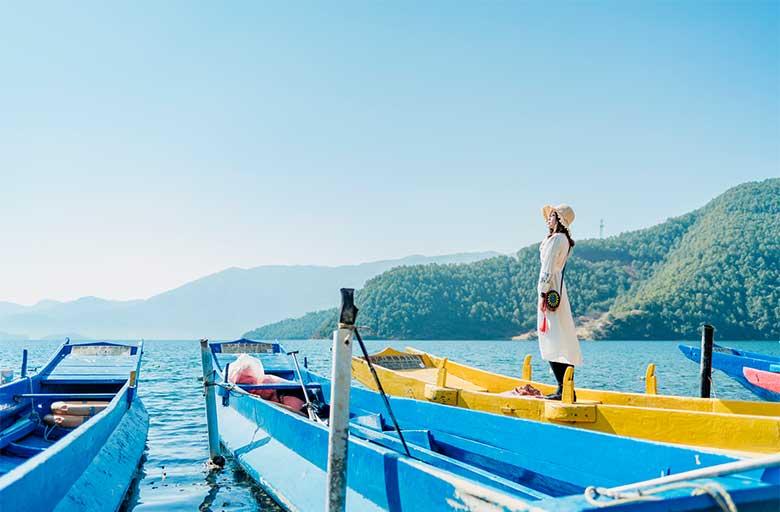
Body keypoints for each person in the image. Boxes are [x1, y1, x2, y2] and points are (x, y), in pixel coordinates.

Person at [537, 204, 582, 400]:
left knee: (552, 335)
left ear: (560, 220)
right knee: (560, 334)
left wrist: (542, 292)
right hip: (558, 287)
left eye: (553, 215)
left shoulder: (556, 240)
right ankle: (566, 387)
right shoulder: (563, 240)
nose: (549, 218)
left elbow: (547, 268)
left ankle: (563, 388)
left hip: (551, 288)